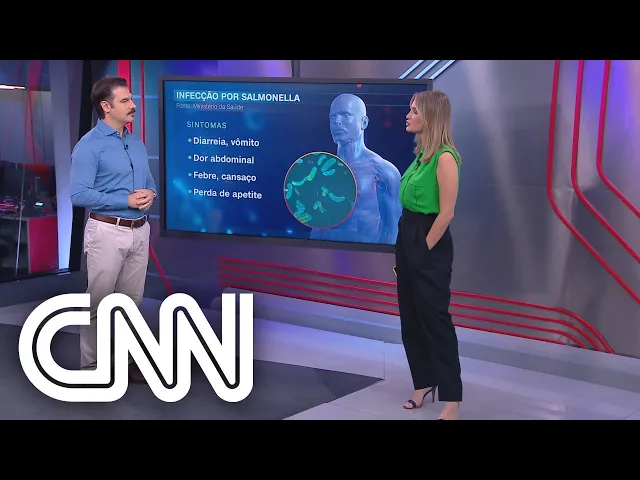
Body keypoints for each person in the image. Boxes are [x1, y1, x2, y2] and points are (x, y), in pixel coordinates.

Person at [69, 76, 157, 382]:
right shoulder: (89, 146)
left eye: (131, 99)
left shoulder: (136, 143)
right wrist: (125, 201)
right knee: (99, 302)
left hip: (140, 231)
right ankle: (92, 368)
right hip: (107, 232)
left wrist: (151, 194)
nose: (133, 105)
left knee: (131, 302)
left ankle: (123, 361)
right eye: (125, 100)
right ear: (106, 107)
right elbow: (78, 195)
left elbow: (149, 182)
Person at [395, 90, 462, 420]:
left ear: (431, 117)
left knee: (436, 321)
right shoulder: (421, 155)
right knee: (410, 319)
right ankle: (422, 384)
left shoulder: (445, 158)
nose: (408, 116)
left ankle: (452, 400)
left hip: (429, 244)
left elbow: (446, 213)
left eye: (415, 111)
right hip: (407, 237)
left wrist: (421, 252)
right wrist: (405, 254)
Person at [309, 93, 402, 244]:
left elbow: (392, 230)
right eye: (333, 117)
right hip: (325, 254)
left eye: (345, 115)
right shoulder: (321, 171)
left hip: (368, 255)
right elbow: (318, 224)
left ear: (363, 122)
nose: (337, 121)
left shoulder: (383, 171)